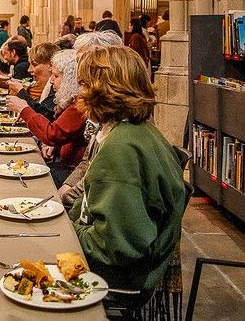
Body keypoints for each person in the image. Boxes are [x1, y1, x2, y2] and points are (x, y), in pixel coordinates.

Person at [70, 46, 185, 296]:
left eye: (83, 85)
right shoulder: (137, 131)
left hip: (119, 277)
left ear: (104, 90)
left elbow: (116, 247)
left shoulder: (121, 149)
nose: (78, 94)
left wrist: (67, 232)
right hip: (125, 263)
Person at [57, 30, 124, 206]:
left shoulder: (123, 124)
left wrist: (65, 198)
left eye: (87, 61)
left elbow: (101, 183)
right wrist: (67, 187)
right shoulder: (101, 108)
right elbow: (89, 160)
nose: (79, 69)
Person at [7, 49, 86, 187]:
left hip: (69, 171)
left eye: (55, 76)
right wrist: (54, 145)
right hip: (63, 163)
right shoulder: (71, 101)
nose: (51, 80)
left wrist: (24, 109)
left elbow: (52, 133)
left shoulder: (79, 105)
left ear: (70, 79)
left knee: (17, 179)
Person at [6, 42, 60, 121]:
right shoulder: (48, 89)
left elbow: (45, 116)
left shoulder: (58, 89)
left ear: (51, 65)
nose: (29, 70)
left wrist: (20, 91)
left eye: (34, 64)